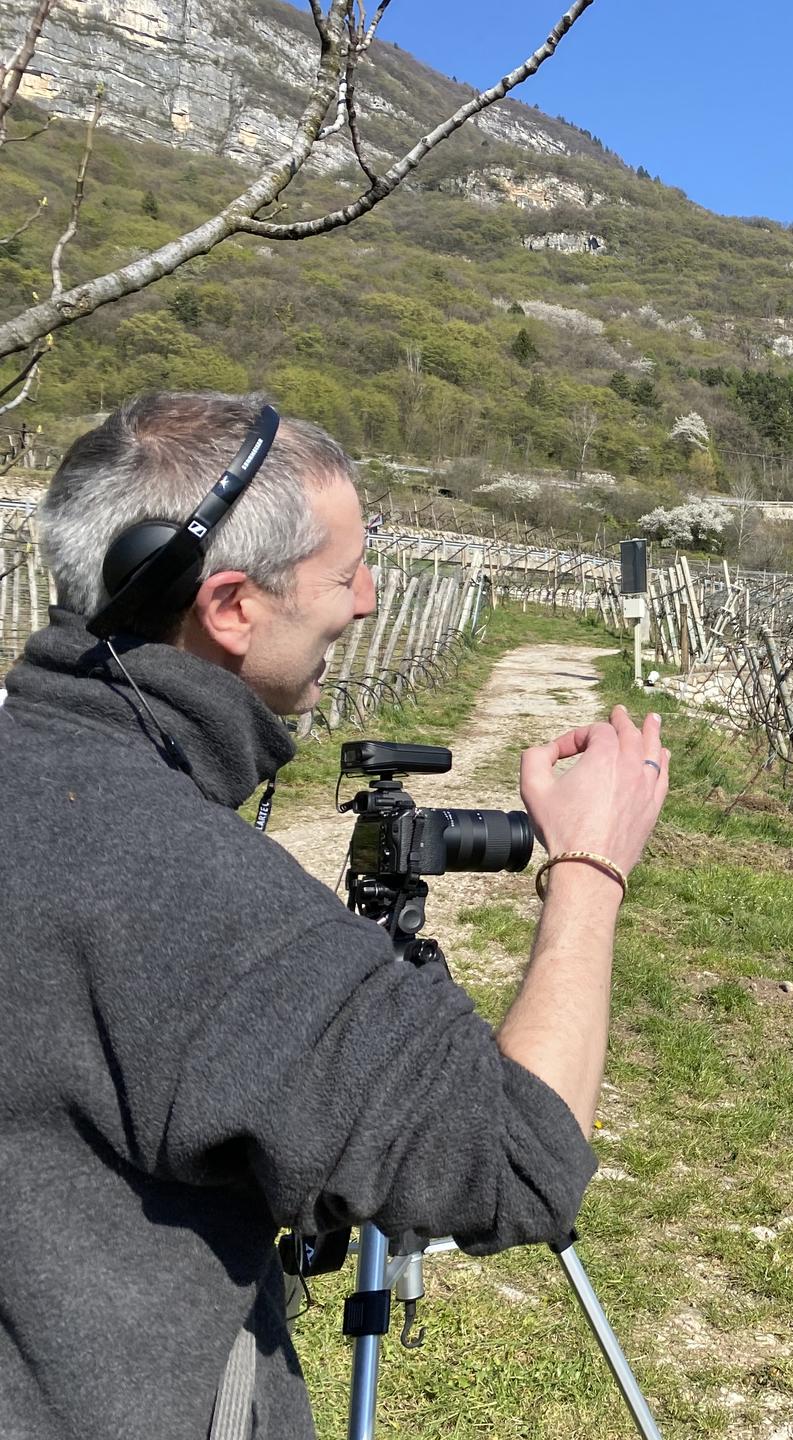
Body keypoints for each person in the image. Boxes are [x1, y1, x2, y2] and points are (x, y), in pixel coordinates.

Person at [0, 392, 669, 1439]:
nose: (365, 601)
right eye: (347, 572)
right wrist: (590, 862)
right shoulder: (192, 892)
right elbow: (518, 1161)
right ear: (229, 607)